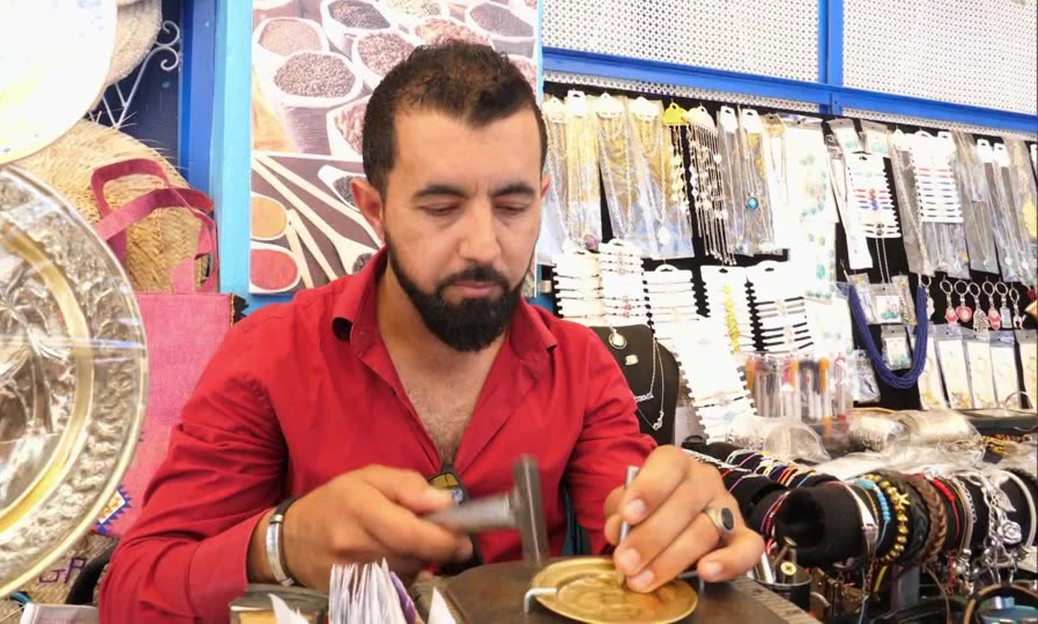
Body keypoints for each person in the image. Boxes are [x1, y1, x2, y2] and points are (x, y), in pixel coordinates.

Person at [99, 41, 764, 622]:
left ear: (541, 198)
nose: (484, 246)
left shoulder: (581, 367)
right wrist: (280, 544)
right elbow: (132, 595)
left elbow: (633, 524)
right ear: (374, 209)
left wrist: (681, 528)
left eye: (512, 206)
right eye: (442, 207)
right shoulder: (272, 356)